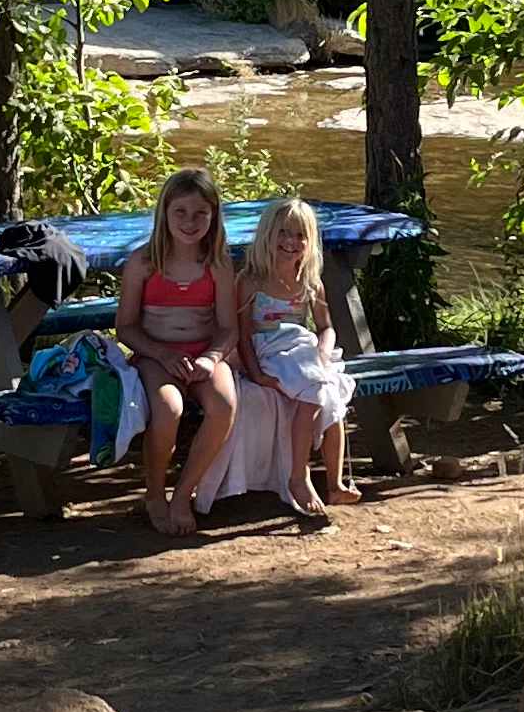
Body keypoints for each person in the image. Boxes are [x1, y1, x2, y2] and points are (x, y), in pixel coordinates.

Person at [115, 164, 239, 538]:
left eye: (200, 213)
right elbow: (126, 327)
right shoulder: (143, 262)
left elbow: (228, 328)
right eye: (180, 212)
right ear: (164, 213)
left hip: (204, 354)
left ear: (214, 216)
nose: (190, 221)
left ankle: (183, 493)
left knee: (224, 405)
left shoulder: (217, 264)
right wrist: (161, 353)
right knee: (169, 408)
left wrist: (211, 358)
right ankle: (155, 493)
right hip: (156, 357)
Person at [241, 195, 358, 523]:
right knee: (314, 393)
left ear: (310, 242)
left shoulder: (310, 283)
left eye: (299, 235)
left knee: (331, 394)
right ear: (267, 234)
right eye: (283, 232)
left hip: (304, 352)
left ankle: (334, 483)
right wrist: (256, 374)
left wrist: (323, 353)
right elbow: (243, 334)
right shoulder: (251, 281)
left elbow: (326, 327)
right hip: (271, 351)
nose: (290, 242)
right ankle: (298, 476)